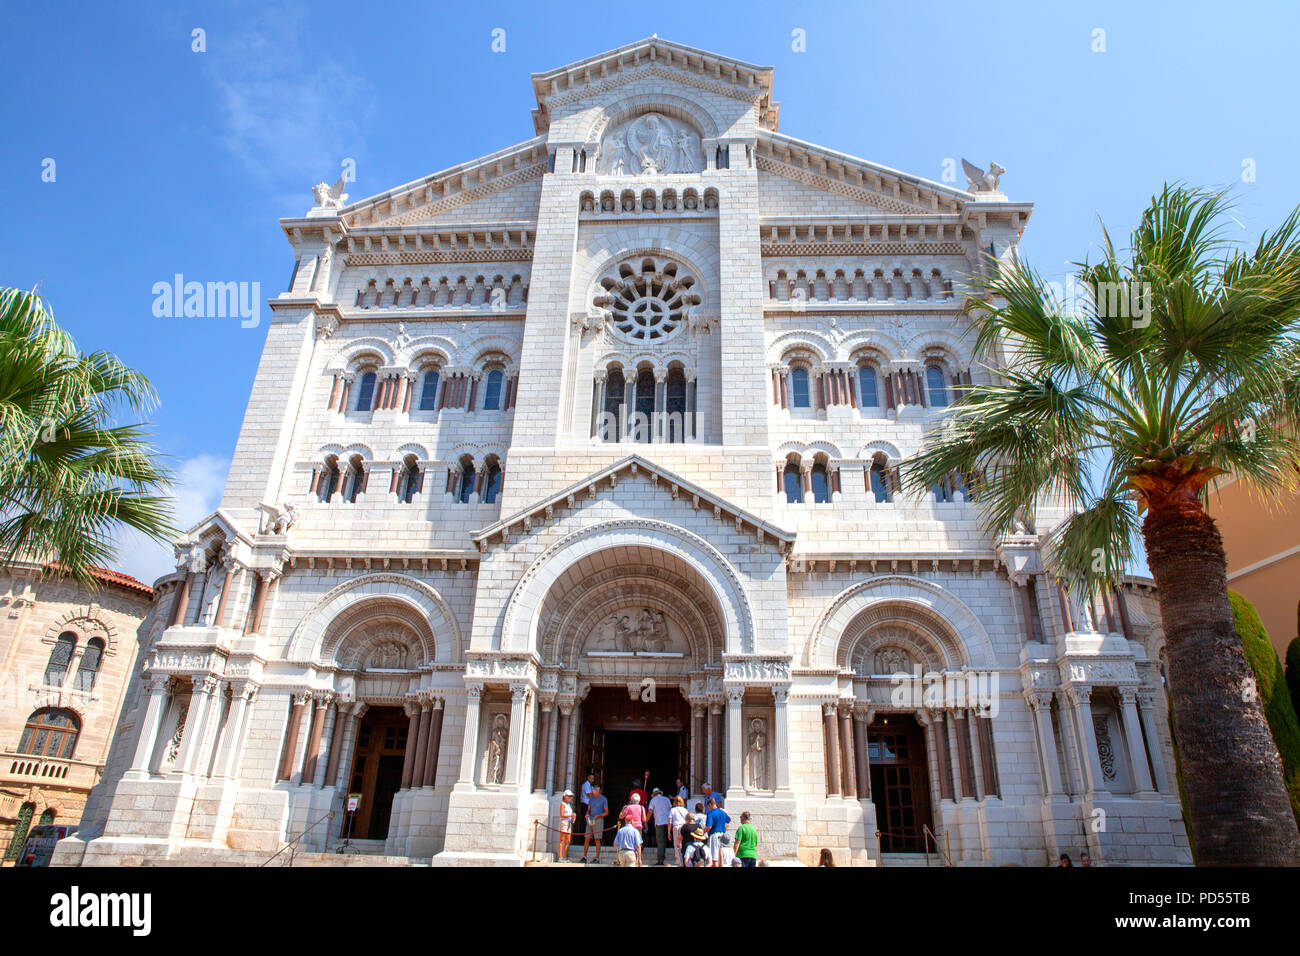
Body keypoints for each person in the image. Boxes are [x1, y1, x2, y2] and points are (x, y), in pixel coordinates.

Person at [581, 785, 608, 864]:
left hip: (598, 820)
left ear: (598, 791)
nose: (593, 793)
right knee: (587, 838)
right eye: (593, 791)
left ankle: (597, 858)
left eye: (594, 792)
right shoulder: (591, 799)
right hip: (590, 819)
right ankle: (584, 857)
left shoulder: (604, 799)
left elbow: (606, 812)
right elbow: (588, 810)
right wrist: (586, 814)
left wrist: (598, 816)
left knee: (597, 839)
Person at [648, 787, 673, 865]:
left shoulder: (653, 800)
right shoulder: (667, 799)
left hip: (659, 822)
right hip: (667, 822)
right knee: (664, 839)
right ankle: (663, 855)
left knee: (660, 841)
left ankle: (660, 860)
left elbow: (650, 811)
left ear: (654, 794)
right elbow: (671, 809)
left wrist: (645, 821)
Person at [705, 797, 730, 866]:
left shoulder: (710, 813)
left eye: (708, 807)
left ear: (710, 805)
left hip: (714, 835)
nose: (708, 808)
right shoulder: (723, 812)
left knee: (714, 857)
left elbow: (709, 827)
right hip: (723, 835)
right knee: (721, 856)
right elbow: (728, 821)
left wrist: (703, 831)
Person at [669, 795, 689, 866]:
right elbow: (687, 820)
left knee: (677, 844)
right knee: (683, 843)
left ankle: (679, 861)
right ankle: (684, 860)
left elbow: (670, 821)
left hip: (677, 827)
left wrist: (669, 832)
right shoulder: (685, 810)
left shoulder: (673, 810)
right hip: (684, 827)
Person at [557, 789, 575, 862]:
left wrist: (573, 817)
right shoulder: (563, 804)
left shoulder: (569, 805)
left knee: (568, 840)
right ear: (565, 796)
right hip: (564, 822)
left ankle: (565, 857)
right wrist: (571, 815)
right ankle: (560, 857)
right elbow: (561, 814)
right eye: (569, 796)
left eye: (571, 796)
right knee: (562, 840)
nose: (570, 797)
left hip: (569, 822)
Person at [577, 772, 594, 842]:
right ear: (588, 778)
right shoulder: (586, 784)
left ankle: (588, 837)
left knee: (588, 821)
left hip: (589, 805)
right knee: (585, 821)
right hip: (585, 805)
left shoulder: (590, 785)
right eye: (591, 778)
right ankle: (582, 838)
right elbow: (589, 795)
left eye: (593, 778)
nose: (592, 779)